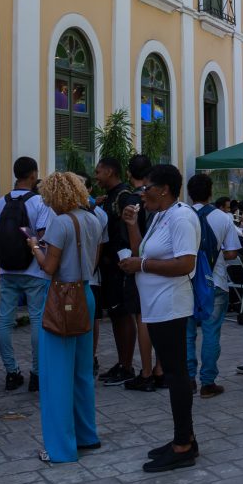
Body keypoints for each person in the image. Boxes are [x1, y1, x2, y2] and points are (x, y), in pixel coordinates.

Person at [117, 164, 198, 472]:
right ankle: (185, 435)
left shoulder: (181, 217)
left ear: (164, 189)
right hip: (156, 306)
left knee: (176, 376)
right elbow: (143, 252)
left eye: (146, 187)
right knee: (174, 374)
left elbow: (185, 263)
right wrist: (132, 224)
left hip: (171, 306)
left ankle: (183, 446)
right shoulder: (160, 216)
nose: (142, 193)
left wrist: (142, 265)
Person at [27, 172, 104, 464]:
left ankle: (60, 449)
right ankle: (87, 434)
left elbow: (49, 267)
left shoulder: (60, 223)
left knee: (56, 376)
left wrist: (35, 247)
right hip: (85, 294)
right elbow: (93, 260)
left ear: (55, 196)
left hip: (61, 299)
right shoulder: (93, 220)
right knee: (82, 371)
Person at [0, 157, 53, 393]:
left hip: (7, 269)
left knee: (4, 320)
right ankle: (37, 374)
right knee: (37, 320)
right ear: (33, 175)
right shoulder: (40, 202)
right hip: (34, 270)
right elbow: (42, 237)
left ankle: (11, 372)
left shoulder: (1, 202)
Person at [186, 173, 240, 399]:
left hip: (185, 281)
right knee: (211, 332)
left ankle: (188, 379)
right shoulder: (223, 217)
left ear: (189, 193)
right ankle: (208, 382)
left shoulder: (181, 215)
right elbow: (231, 252)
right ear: (210, 193)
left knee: (187, 334)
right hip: (215, 281)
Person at [93, 157, 140, 388]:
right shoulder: (109, 198)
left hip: (120, 266)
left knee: (122, 314)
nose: (96, 176)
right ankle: (123, 363)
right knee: (115, 315)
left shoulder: (124, 197)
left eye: (99, 171)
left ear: (110, 171)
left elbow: (128, 231)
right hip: (109, 267)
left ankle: (127, 365)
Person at [122, 154, 167, 391]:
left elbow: (136, 244)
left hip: (143, 263)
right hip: (158, 265)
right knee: (155, 318)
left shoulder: (134, 201)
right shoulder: (161, 204)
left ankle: (148, 371)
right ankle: (159, 369)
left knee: (144, 319)